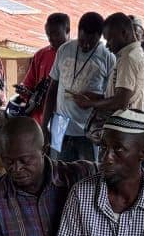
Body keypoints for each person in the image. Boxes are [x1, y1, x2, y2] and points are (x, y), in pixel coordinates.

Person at [41, 12, 115, 163]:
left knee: (88, 175)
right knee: (58, 174)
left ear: (100, 36)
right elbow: (52, 89)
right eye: (82, 41)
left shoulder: (108, 57)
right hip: (60, 128)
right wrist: (44, 126)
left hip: (88, 132)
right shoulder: (64, 50)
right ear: (78, 31)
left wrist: (94, 99)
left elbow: (112, 98)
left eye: (91, 42)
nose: (86, 45)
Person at [72, 11, 144, 118]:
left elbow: (120, 102)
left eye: (110, 39)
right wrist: (98, 98)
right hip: (132, 124)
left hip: (120, 127)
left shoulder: (128, 59)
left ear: (124, 33)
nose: (107, 45)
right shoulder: (140, 55)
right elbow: (126, 97)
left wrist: (89, 104)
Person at [14, 13, 68, 123]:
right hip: (38, 119)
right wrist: (25, 91)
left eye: (56, 34)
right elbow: (29, 84)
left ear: (67, 30)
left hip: (63, 120)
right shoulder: (41, 54)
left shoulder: (75, 56)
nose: (51, 39)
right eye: (48, 34)